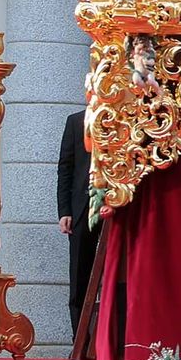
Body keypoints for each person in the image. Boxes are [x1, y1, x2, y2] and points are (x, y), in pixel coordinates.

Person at [56, 109, 102, 343]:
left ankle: (109, 341)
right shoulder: (75, 121)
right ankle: (80, 342)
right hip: (81, 209)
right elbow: (65, 168)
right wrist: (64, 211)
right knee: (79, 277)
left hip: (116, 206)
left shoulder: (125, 117)